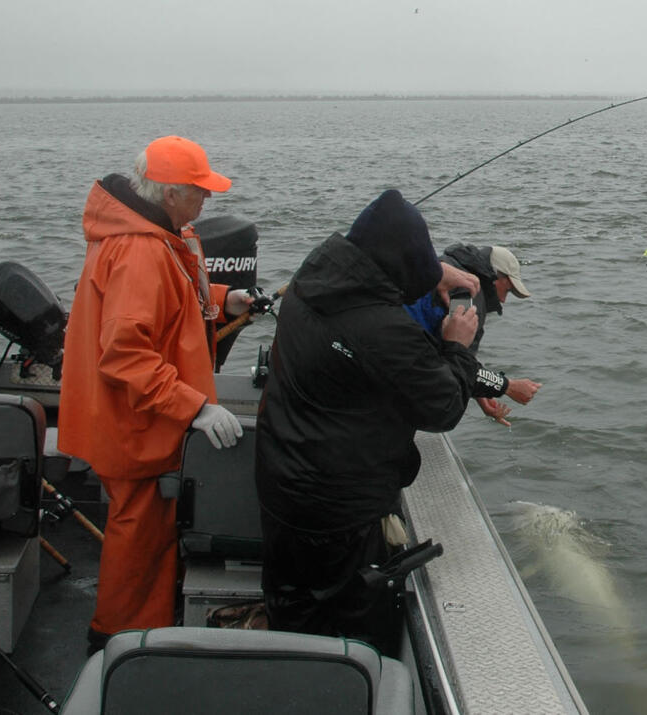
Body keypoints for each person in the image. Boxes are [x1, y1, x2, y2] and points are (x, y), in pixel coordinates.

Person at [254, 188, 485, 655]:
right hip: (339, 514)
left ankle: (282, 679)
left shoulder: (310, 277)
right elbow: (442, 407)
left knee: (291, 606)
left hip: (281, 484)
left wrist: (431, 271)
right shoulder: (382, 328)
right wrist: (458, 347)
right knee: (347, 633)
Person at [58, 135, 252, 652]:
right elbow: (125, 354)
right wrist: (197, 408)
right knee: (137, 540)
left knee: (148, 533)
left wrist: (221, 298)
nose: (206, 200)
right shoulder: (142, 250)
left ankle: (144, 630)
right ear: (170, 194)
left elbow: (167, 301)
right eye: (199, 191)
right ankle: (117, 643)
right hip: (135, 426)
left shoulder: (149, 234)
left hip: (137, 419)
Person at [405, 243, 542, 426]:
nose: (502, 300)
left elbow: (459, 358)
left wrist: (480, 394)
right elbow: (458, 361)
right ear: (495, 276)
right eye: (507, 290)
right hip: (401, 372)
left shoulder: (448, 267)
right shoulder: (467, 295)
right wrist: (508, 386)